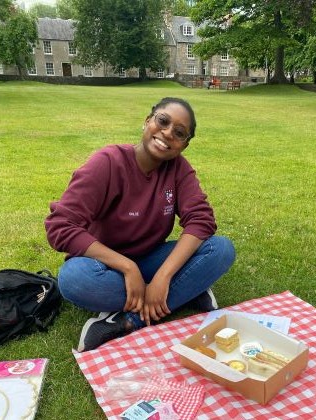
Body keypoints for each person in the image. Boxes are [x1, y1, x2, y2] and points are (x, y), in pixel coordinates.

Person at [45, 97, 236, 352]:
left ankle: (129, 319)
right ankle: (187, 290)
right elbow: (60, 226)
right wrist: (128, 267)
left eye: (179, 133)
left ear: (184, 144)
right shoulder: (108, 162)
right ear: (147, 121)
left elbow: (201, 220)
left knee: (220, 249)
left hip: (152, 259)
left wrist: (163, 276)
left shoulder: (178, 169)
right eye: (163, 121)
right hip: (105, 265)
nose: (167, 133)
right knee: (74, 279)